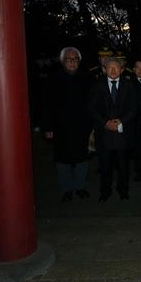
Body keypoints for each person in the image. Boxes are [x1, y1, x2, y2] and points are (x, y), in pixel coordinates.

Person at [42, 47, 92, 201]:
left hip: (82, 126)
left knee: (81, 158)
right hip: (60, 127)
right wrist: (48, 126)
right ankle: (66, 189)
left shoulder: (87, 78)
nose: (72, 62)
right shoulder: (53, 79)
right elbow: (46, 105)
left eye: (75, 59)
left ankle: (81, 187)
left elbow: (94, 103)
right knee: (62, 160)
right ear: (63, 61)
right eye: (69, 59)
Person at [88, 57, 136, 201]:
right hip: (104, 133)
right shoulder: (97, 85)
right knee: (105, 165)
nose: (113, 70)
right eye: (110, 67)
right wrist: (105, 123)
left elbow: (134, 108)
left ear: (121, 70)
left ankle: (123, 190)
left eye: (116, 67)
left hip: (122, 132)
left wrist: (121, 121)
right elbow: (91, 108)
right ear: (104, 69)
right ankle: (105, 191)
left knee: (123, 165)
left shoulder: (129, 85)